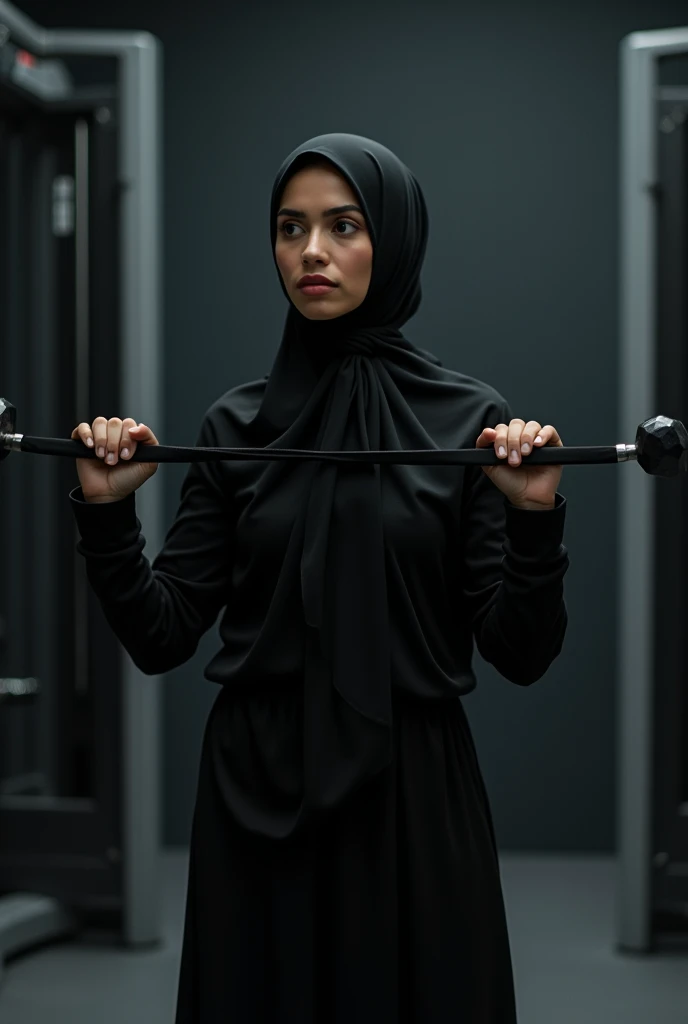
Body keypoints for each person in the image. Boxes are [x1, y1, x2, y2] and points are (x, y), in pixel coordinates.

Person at [69, 133, 569, 1023]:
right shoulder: (235, 423)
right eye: (289, 227)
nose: (311, 253)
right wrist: (108, 515)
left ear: (397, 239)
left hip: (416, 798)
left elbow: (520, 653)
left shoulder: (473, 421)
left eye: (343, 226)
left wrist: (534, 521)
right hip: (255, 788)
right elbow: (162, 633)